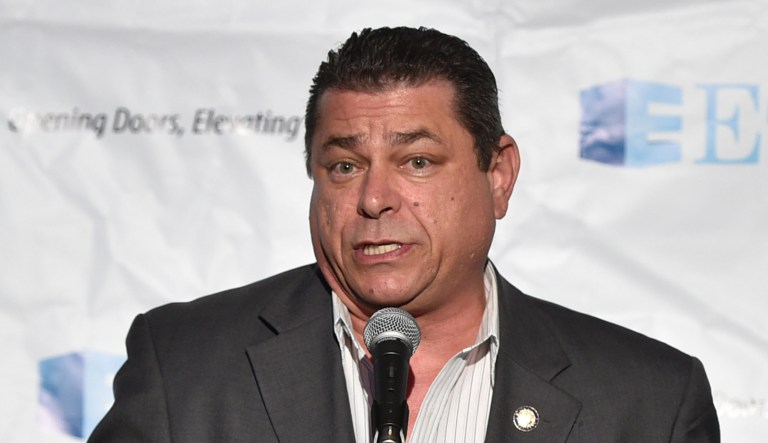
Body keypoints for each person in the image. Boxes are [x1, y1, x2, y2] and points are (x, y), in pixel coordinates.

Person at [89, 26, 720, 442]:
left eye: (417, 161)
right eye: (344, 166)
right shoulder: (186, 367)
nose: (373, 199)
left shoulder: (649, 404)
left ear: (497, 175)